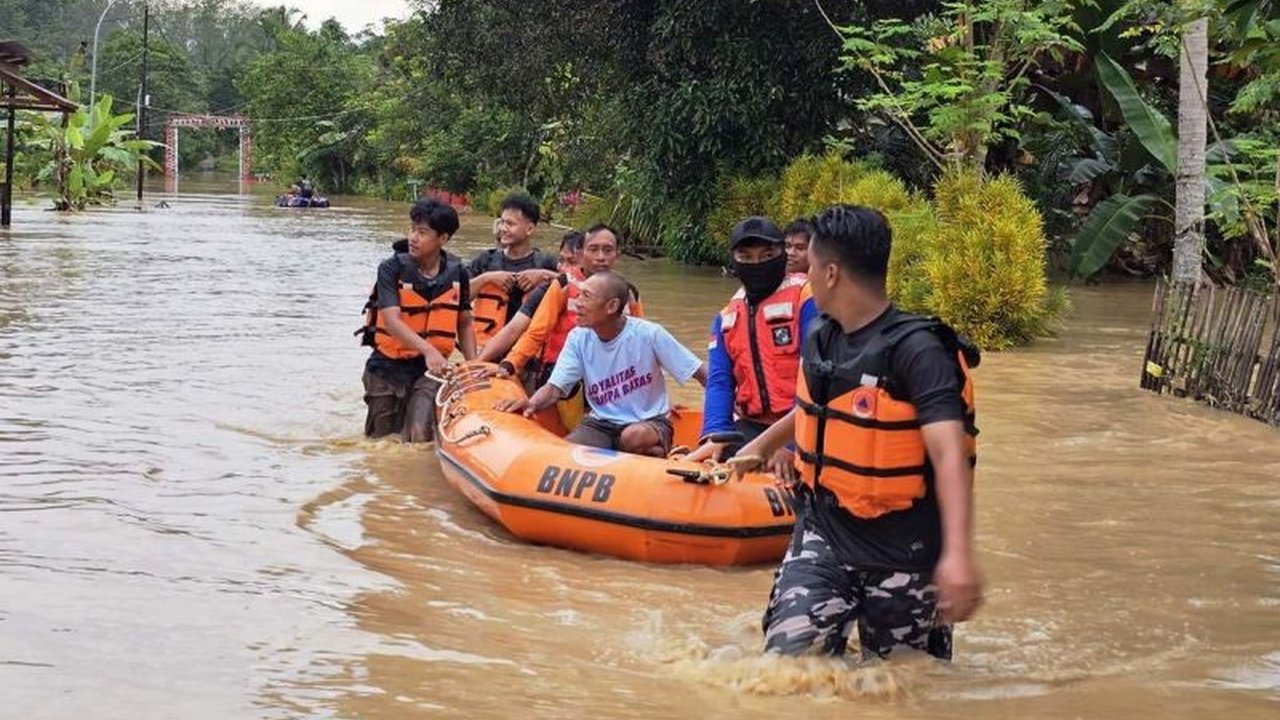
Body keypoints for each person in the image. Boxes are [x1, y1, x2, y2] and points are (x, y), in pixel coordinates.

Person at [736, 204, 982, 661]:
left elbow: (948, 454)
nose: (804, 278)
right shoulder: (822, 336)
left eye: (808, 267)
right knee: (785, 672)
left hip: (904, 553)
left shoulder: (920, 352)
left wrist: (960, 555)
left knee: (900, 688)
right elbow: (817, 410)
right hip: (823, 535)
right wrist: (757, 446)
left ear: (830, 273)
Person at [496, 271, 705, 457]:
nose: (577, 303)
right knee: (561, 454)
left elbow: (700, 373)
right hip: (600, 423)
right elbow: (555, 388)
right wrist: (530, 403)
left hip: (648, 422)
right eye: (579, 294)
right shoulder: (578, 338)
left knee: (633, 437)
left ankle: (659, 453)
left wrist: (727, 412)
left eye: (586, 296)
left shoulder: (649, 334)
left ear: (612, 306)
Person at [687, 217, 817, 464]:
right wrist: (714, 433)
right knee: (713, 457)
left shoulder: (807, 300)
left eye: (767, 255)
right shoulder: (726, 319)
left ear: (782, 254)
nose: (757, 264)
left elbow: (817, 378)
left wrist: (785, 444)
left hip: (805, 423)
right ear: (734, 261)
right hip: (753, 424)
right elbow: (719, 382)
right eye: (746, 258)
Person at [359, 199, 477, 442]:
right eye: (412, 229)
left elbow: (464, 323)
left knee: (419, 435)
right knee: (382, 441)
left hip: (430, 371)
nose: (413, 237)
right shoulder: (391, 269)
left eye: (422, 232)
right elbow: (392, 321)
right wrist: (428, 349)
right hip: (387, 366)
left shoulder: (458, 273)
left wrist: (473, 366)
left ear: (443, 238)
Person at [482, 224, 642, 383]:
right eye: (593, 250)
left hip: (611, 377)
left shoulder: (629, 293)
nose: (600, 257)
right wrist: (509, 364)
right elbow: (537, 332)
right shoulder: (563, 285)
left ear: (617, 254)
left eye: (608, 250)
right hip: (561, 372)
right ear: (582, 254)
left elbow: (639, 341)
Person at [469, 193, 559, 348]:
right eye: (502, 222)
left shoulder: (546, 262)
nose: (503, 228)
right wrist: (487, 278)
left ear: (529, 228)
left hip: (529, 351)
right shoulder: (485, 260)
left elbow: (576, 287)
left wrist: (545, 275)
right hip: (488, 348)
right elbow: (457, 297)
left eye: (510, 224)